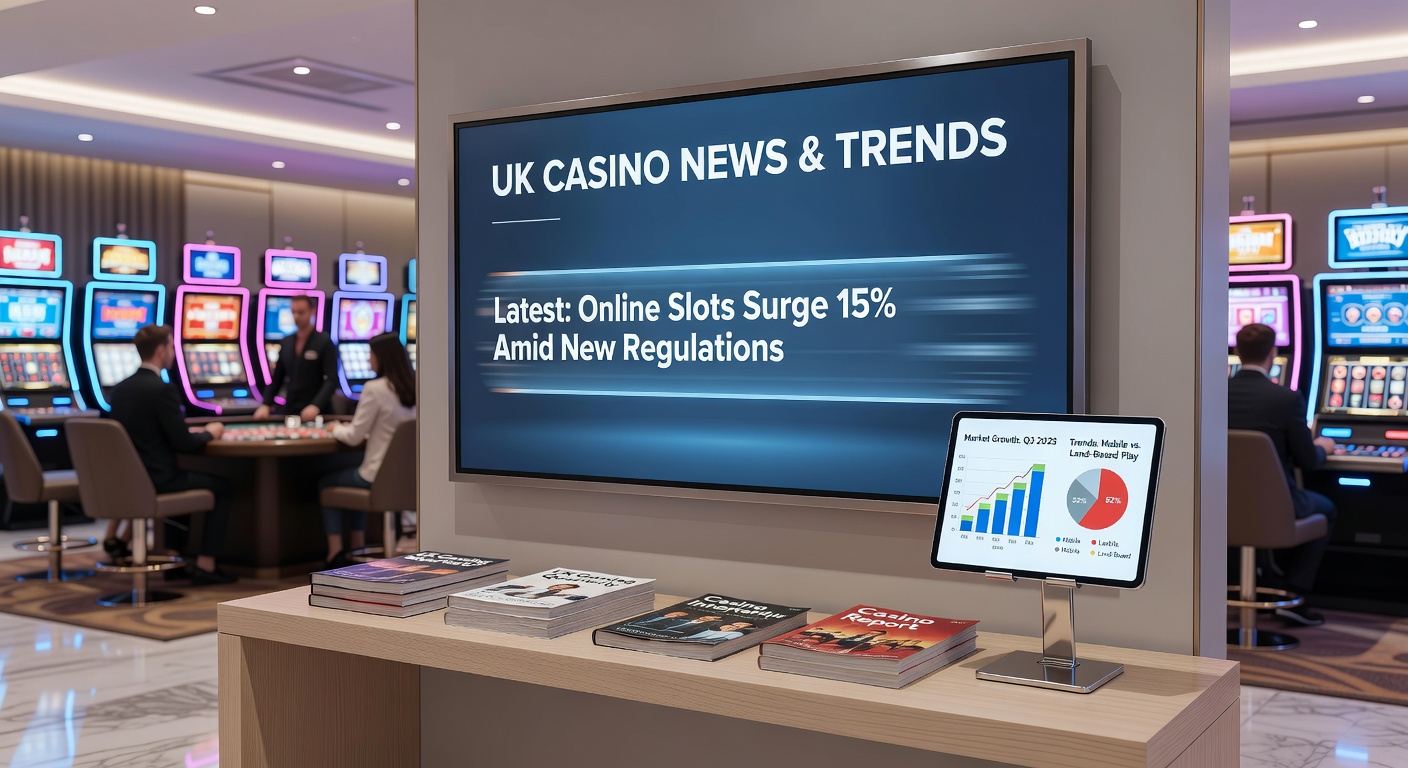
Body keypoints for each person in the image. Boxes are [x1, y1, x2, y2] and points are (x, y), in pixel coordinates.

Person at [106, 324, 236, 585]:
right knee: (224, 486)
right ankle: (206, 564)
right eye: (172, 346)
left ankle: (174, 556)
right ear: (161, 349)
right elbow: (185, 443)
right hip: (158, 480)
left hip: (125, 480)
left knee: (183, 475)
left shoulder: (118, 390)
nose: (174, 352)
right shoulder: (161, 389)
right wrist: (211, 432)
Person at [1229, 322, 1338, 626]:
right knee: (1327, 509)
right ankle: (1294, 592)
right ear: (1273, 353)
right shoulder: (1284, 399)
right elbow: (1308, 460)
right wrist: (1324, 446)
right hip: (1273, 508)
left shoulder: (1213, 394)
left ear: (1237, 352)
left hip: (1217, 508)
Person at [318, 332, 416, 566]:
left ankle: (335, 553)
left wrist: (334, 428)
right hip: (410, 479)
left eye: (370, 355)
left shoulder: (374, 388)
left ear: (381, 357)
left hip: (378, 476)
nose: (367, 361)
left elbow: (353, 437)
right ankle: (357, 544)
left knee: (326, 483)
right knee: (354, 474)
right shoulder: (416, 384)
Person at [254, 293, 337, 423]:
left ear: (312, 311)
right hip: (292, 410)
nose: (296, 316)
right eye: (293, 312)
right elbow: (277, 379)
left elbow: (332, 380)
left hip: (318, 412)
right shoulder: (286, 342)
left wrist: (316, 405)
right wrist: (266, 404)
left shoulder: (324, 341)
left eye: (301, 312)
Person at [681, 621, 754, 642]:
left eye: (738, 626)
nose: (731, 627)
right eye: (735, 624)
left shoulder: (736, 633)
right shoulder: (710, 630)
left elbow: (719, 640)